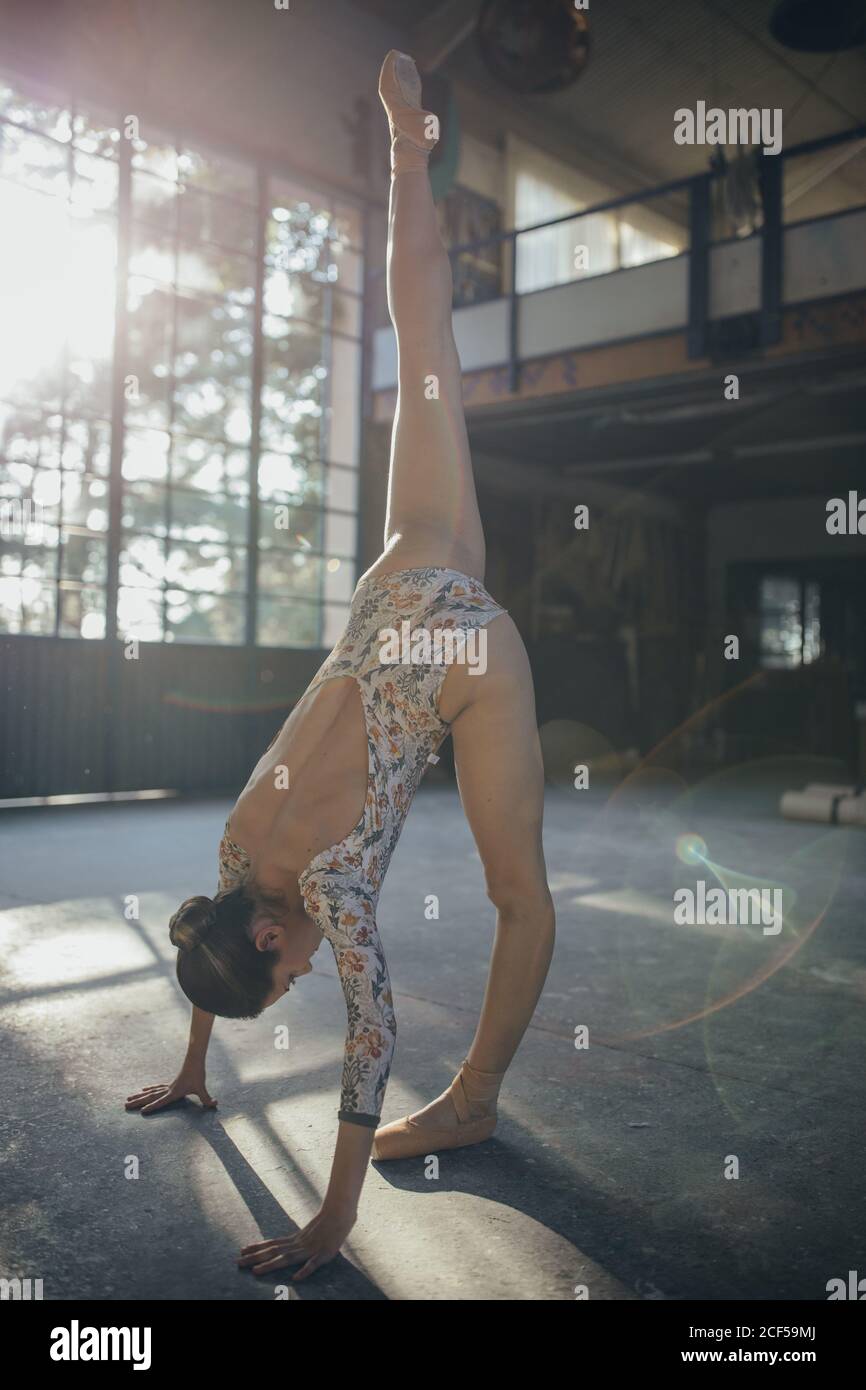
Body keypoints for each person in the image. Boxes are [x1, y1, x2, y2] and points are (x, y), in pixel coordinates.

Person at [126, 50, 555, 1283]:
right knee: (418, 340)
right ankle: (408, 156)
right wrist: (199, 1073)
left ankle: (474, 1100)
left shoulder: (328, 902)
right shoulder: (229, 858)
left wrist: (331, 1224)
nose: (313, 970)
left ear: (276, 938)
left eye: (291, 975)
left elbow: (370, 1047)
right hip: (396, 579)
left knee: (517, 895)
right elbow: (205, 945)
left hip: (463, 645)